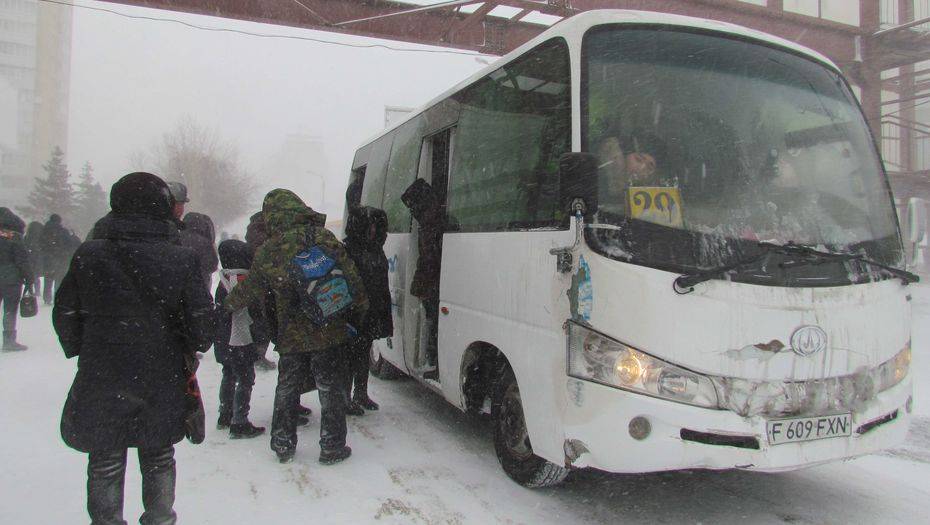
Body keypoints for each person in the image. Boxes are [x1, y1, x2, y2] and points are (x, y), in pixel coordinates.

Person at [53, 172, 213, 525]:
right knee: (158, 454)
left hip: (103, 373)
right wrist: (183, 346)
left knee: (105, 458)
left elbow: (64, 313)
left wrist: (89, 347)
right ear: (163, 207)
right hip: (161, 374)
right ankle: (159, 519)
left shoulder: (89, 254)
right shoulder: (181, 258)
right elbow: (202, 326)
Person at [225, 189, 368, 465]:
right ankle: (332, 446)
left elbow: (251, 288)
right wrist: (359, 310)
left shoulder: (270, 249)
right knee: (330, 389)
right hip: (329, 327)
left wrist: (226, 304)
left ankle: (282, 443)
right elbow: (351, 278)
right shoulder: (323, 238)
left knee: (287, 388)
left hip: (291, 333)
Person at [213, 239, 266, 439]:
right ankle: (239, 421)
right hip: (240, 339)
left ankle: (225, 414)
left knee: (228, 375)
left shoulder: (224, 277)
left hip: (223, 339)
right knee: (245, 378)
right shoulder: (242, 280)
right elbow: (250, 310)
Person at [343, 206, 393, 413]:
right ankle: (345, 399)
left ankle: (360, 394)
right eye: (369, 225)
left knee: (363, 354)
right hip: (353, 313)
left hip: (371, 310)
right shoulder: (347, 249)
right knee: (347, 357)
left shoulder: (375, 249)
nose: (373, 230)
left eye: (375, 226)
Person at [401, 178, 443, 378]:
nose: (412, 212)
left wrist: (421, 285)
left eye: (413, 206)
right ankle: (433, 361)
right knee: (433, 322)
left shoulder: (432, 224)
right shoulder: (431, 221)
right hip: (432, 284)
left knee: (435, 323)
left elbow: (429, 259)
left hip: (434, 284)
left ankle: (435, 362)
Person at [245, 210, 278, 372]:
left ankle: (256, 355)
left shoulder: (251, 233)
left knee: (258, 319)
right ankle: (259, 356)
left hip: (255, 283)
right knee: (263, 321)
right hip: (265, 284)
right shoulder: (263, 236)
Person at [0, 207, 33, 352]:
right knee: (9, 310)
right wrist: (29, 277)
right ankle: (8, 341)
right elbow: (22, 260)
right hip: (11, 279)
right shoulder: (14, 236)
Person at [40, 213, 78, 304]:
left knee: (48, 279)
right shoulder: (63, 231)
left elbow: (40, 244)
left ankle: (47, 298)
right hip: (61, 258)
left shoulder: (44, 231)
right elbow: (70, 244)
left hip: (48, 258)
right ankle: (58, 296)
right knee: (59, 279)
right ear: (59, 221)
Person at [182, 212, 219, 290]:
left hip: (179, 283)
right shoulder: (205, 242)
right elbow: (213, 265)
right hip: (201, 283)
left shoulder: (177, 238)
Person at [23, 221, 44, 297]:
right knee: (36, 275)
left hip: (29, 257)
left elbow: (24, 246)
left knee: (30, 275)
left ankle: (29, 290)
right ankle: (37, 291)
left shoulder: (27, 237)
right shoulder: (41, 237)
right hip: (37, 257)